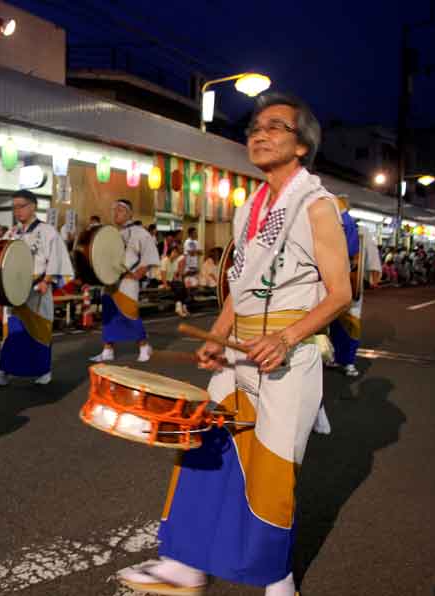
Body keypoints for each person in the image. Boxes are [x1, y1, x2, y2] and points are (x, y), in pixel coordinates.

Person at [117, 92, 351, 596]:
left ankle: (277, 579)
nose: (259, 135)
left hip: (288, 353)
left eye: (275, 127)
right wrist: (218, 338)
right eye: (254, 128)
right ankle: (183, 563)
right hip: (241, 348)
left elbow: (341, 294)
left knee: (271, 470)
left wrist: (288, 338)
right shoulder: (249, 210)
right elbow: (238, 291)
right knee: (204, 447)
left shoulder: (318, 207)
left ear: (303, 145)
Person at [0, 190, 73, 387]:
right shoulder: (11, 233)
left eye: (21, 206)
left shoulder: (48, 232)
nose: (17, 211)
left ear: (33, 206)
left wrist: (46, 282)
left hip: (38, 287)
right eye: (14, 207)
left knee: (39, 330)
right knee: (12, 332)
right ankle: (4, 371)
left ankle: (43, 370)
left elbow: (56, 260)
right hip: (13, 290)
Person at [90, 200, 159, 363]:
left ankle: (143, 347)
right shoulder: (110, 233)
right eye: (114, 210)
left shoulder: (140, 232)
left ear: (130, 213)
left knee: (130, 314)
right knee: (109, 315)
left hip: (128, 279)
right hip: (110, 280)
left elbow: (149, 256)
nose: (116, 213)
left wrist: (137, 274)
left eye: (120, 210)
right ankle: (107, 350)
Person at [326, 199, 382, 378]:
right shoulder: (329, 228)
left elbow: (371, 253)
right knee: (332, 324)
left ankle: (348, 361)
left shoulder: (360, 231)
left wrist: (373, 271)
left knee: (351, 325)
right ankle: (333, 356)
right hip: (331, 285)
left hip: (351, 284)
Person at [160, 244, 190, 318]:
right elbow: (163, 274)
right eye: (174, 252)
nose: (176, 254)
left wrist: (179, 277)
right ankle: (179, 307)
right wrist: (165, 285)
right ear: (170, 252)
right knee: (178, 286)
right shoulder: (165, 260)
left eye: (177, 252)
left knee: (183, 286)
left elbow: (175, 274)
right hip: (163, 280)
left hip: (172, 280)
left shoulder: (175, 261)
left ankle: (183, 306)